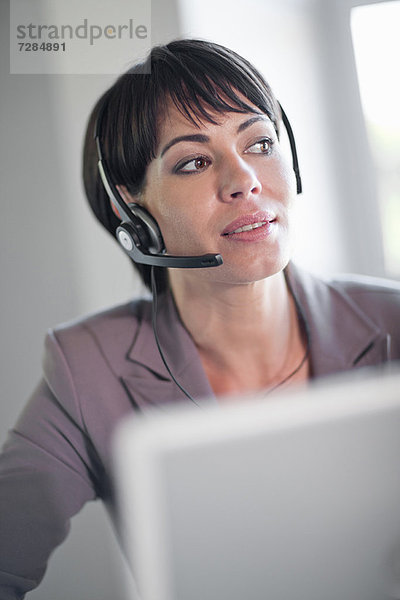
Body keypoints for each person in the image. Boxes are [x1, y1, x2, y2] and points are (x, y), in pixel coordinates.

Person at [0, 38, 399, 599]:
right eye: (193, 161)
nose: (244, 180)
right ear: (131, 212)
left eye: (260, 143)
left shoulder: (393, 323)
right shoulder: (89, 371)